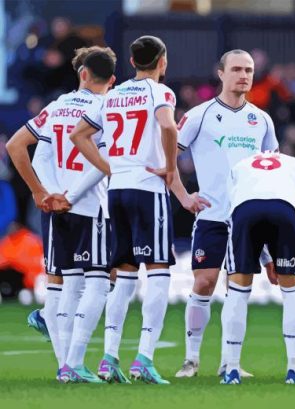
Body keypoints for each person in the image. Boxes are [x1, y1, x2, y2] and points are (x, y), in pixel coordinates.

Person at [69, 35, 179, 384]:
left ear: (131, 62)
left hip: (116, 190)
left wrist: (109, 166)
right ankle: (144, 357)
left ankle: (108, 358)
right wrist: (171, 168)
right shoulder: (160, 92)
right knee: (159, 272)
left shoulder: (112, 96)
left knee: (126, 276)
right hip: (147, 187)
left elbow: (78, 135)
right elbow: (167, 126)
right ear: (162, 61)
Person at [6, 46, 116, 382]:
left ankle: (64, 368)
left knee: (63, 283)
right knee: (97, 280)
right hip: (89, 205)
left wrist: (44, 193)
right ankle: (76, 361)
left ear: (82, 73)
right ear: (111, 80)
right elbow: (103, 164)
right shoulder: (107, 108)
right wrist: (70, 195)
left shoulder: (56, 106)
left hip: (53, 208)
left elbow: (18, 147)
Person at [171, 49, 279, 378]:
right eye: (236, 69)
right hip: (211, 217)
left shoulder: (261, 120)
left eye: (248, 69)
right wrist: (183, 195)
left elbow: (272, 171)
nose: (243, 75)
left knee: (239, 289)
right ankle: (191, 359)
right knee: (204, 282)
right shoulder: (199, 115)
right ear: (221, 73)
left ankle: (230, 363)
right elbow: (168, 155)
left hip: (248, 220)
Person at [220, 151, 295, 385]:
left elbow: (231, 211)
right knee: (292, 293)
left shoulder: (241, 165)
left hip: (245, 211)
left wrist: (264, 258)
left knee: (237, 292)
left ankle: (231, 370)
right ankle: (294, 371)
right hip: (285, 211)